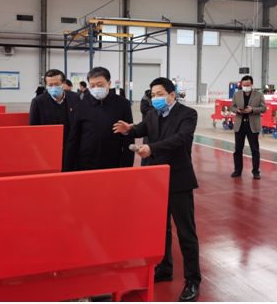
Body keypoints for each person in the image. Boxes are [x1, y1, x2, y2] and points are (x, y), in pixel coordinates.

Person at [113, 77, 201, 302]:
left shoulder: (188, 114)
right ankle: (164, 268)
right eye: (153, 95)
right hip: (155, 180)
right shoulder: (152, 113)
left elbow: (180, 139)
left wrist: (152, 148)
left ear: (172, 94)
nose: (156, 98)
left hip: (178, 179)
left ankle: (193, 279)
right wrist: (129, 129)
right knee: (161, 229)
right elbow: (143, 128)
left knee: (186, 232)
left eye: (160, 94)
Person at [66, 67, 134, 171]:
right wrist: (68, 167)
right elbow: (74, 137)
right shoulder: (81, 104)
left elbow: (128, 136)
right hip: (86, 162)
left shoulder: (122, 104)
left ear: (109, 83)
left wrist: (127, 166)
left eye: (100, 85)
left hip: (113, 161)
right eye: (92, 85)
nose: (96, 88)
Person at [29, 69, 80, 171]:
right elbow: (33, 128)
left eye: (56, 84)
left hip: (71, 147)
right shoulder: (38, 102)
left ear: (63, 83)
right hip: (49, 148)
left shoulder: (75, 98)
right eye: (50, 85)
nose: (53, 87)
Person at [230, 76, 267, 179]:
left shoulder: (259, 94)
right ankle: (237, 170)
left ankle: (256, 172)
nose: (245, 87)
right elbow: (231, 107)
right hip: (240, 125)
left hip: (252, 125)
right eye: (244, 85)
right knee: (238, 149)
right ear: (241, 85)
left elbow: (264, 108)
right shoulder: (237, 94)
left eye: (248, 85)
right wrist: (237, 110)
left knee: (254, 150)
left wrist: (252, 110)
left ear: (252, 84)